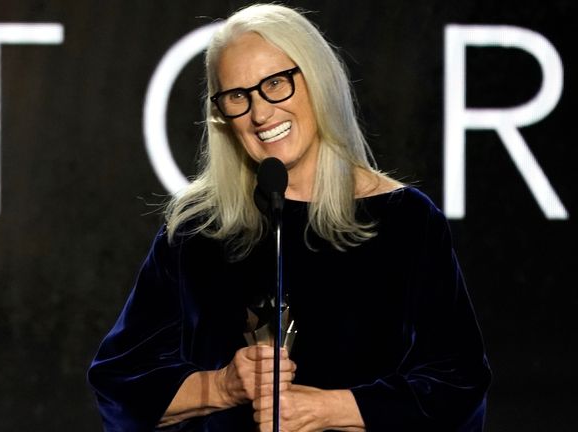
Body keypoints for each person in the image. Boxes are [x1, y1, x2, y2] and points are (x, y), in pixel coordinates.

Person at [87, 3, 491, 431]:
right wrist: (223, 387)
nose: (260, 114)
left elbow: (458, 388)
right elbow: (119, 382)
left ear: (317, 80)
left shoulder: (405, 220)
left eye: (276, 83)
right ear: (222, 113)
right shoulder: (200, 229)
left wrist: (326, 409)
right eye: (238, 97)